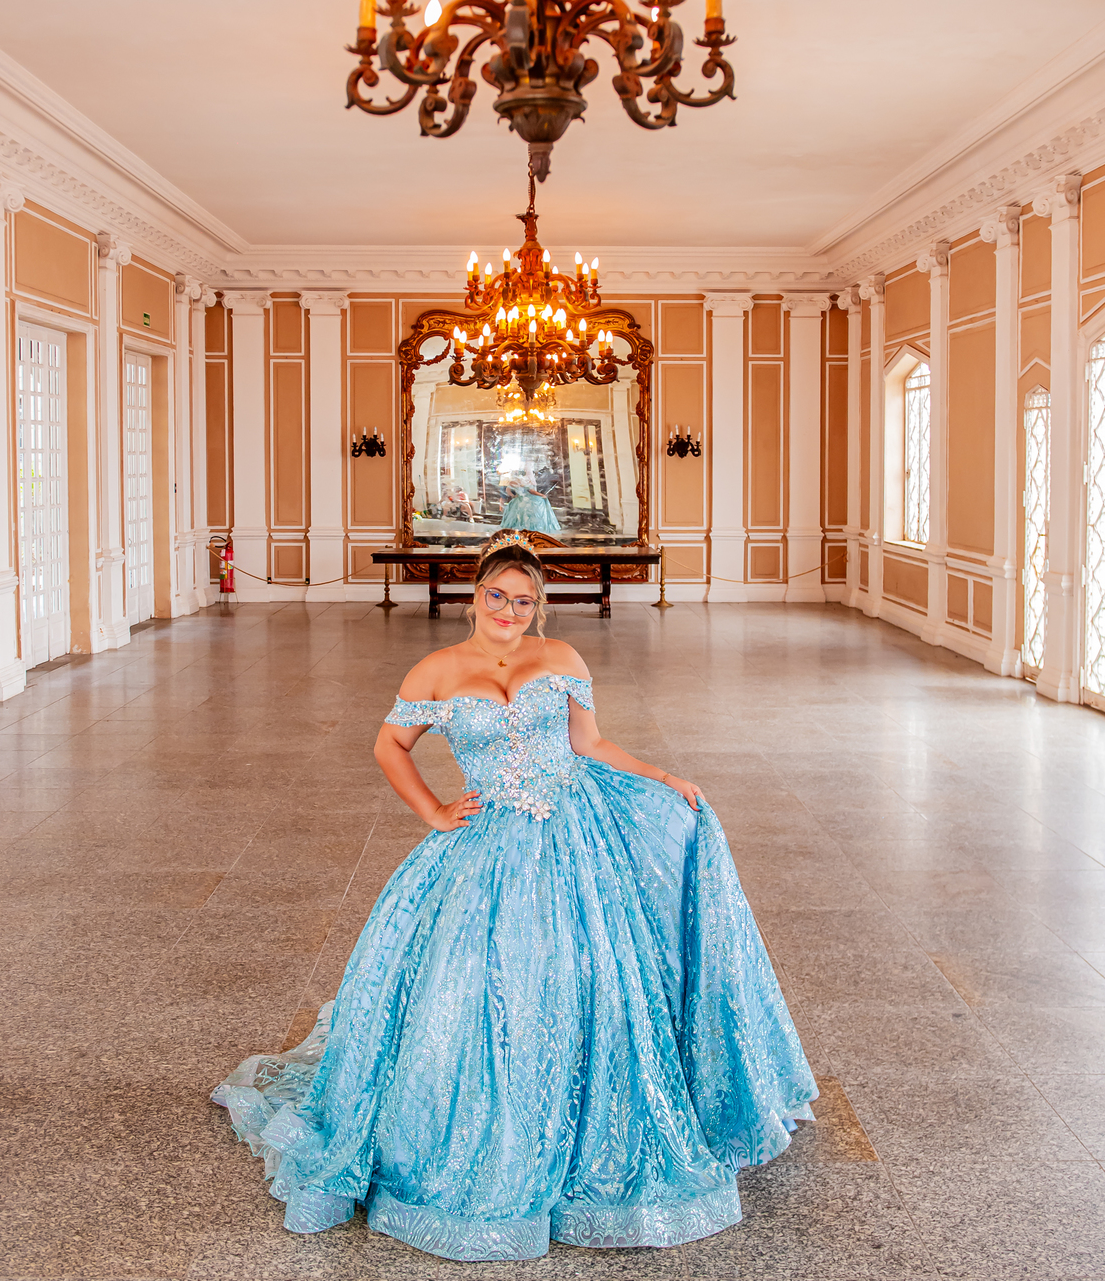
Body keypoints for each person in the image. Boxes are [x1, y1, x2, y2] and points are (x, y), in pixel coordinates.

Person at [212, 530, 817, 1262]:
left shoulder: (560, 659)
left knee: (590, 967)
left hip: (574, 828)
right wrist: (434, 811)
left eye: (524, 601)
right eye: (497, 596)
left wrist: (664, 778)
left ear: (538, 606)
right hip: (488, 837)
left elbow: (590, 745)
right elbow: (388, 745)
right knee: (477, 978)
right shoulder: (437, 670)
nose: (508, 610)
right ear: (475, 595)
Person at [498, 469, 561, 535]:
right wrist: (541, 495)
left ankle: (517, 527)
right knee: (540, 503)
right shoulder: (522, 481)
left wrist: (513, 496)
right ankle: (534, 526)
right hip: (526, 499)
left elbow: (507, 490)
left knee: (517, 514)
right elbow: (531, 491)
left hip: (518, 499)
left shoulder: (512, 481)